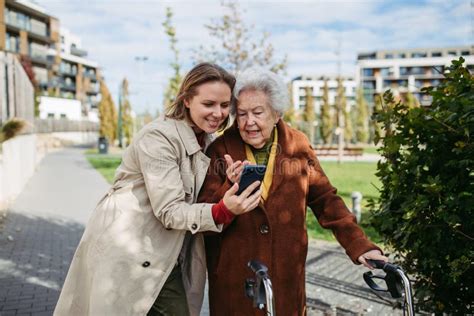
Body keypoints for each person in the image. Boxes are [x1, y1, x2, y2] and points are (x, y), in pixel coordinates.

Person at [54, 63, 261, 316]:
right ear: (186, 101)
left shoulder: (206, 139)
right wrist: (222, 211)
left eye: (224, 105)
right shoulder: (159, 138)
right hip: (131, 244)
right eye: (208, 104)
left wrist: (228, 183)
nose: (218, 113)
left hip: (164, 249)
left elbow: (194, 194)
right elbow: (171, 211)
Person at [198, 67, 388, 315]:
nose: (249, 122)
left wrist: (360, 244)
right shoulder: (220, 149)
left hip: (285, 274)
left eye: (258, 112)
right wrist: (228, 187)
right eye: (241, 114)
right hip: (235, 277)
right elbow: (206, 211)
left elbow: (325, 199)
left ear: (276, 113)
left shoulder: (297, 145)